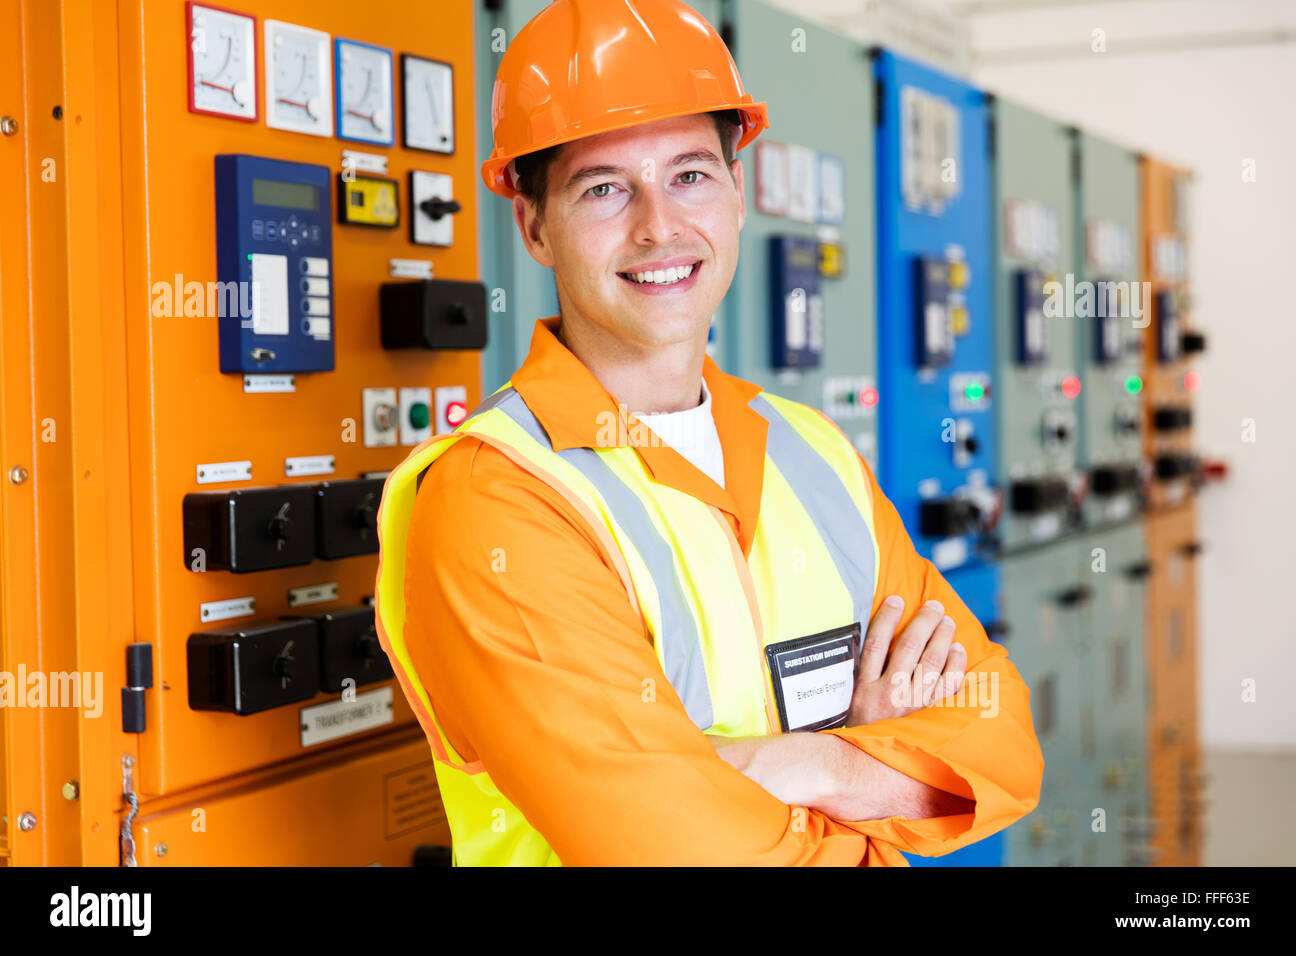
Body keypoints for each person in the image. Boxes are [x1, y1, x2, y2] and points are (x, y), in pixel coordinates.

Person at [375, 0, 1043, 865]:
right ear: (534, 226)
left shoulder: (812, 451)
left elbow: (1004, 744)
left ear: (736, 196)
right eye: (605, 187)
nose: (660, 226)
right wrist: (878, 771)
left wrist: (813, 766)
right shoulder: (498, 499)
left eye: (690, 174)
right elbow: (673, 849)